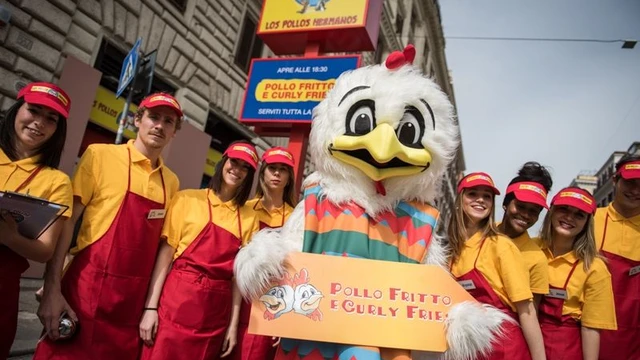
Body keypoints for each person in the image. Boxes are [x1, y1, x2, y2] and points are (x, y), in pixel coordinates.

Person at [33, 93, 182, 360]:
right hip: (84, 292)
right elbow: (67, 224)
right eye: (154, 117)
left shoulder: (171, 182)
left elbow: (162, 249)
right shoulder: (100, 155)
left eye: (169, 122)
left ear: (174, 133)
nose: (160, 125)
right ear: (138, 120)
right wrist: (52, 287)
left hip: (130, 306)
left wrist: (150, 308)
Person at [139, 141, 260, 360]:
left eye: (245, 167)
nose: (237, 170)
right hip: (175, 306)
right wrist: (150, 309)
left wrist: (232, 327)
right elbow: (165, 256)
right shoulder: (187, 199)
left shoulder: (250, 218)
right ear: (223, 162)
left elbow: (237, 280)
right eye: (234, 162)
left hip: (213, 317)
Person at [0, 82, 73, 358]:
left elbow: (45, 250)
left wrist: (8, 236)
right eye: (34, 110)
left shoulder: (56, 181)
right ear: (17, 110)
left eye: (51, 119)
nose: (39, 123)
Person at [448, 172, 546, 360]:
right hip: (468, 350)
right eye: (473, 193)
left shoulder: (502, 245)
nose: (480, 200)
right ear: (460, 199)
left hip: (503, 349)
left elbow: (527, 310)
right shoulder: (451, 250)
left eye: (487, 196)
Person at [535, 187, 616, 360]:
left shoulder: (595, 267)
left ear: (587, 222)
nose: (569, 217)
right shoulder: (529, 248)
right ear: (552, 211)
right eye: (564, 209)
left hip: (565, 351)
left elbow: (590, 328)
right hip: (525, 344)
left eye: (579, 214)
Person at [232, 146, 297, 360]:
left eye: (283, 169)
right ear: (263, 174)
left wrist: (285, 316)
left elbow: (296, 270)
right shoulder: (245, 210)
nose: (277, 173)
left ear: (289, 177)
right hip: (240, 299)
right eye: (272, 168)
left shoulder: (296, 218)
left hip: (275, 303)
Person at [595, 154, 640, 360]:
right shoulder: (590, 220)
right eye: (630, 182)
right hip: (592, 332)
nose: (636, 191)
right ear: (615, 180)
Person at [497, 162, 552, 306]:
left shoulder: (537, 260)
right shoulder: (481, 233)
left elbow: (530, 313)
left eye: (534, 211)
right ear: (505, 203)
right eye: (520, 206)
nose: (526, 215)